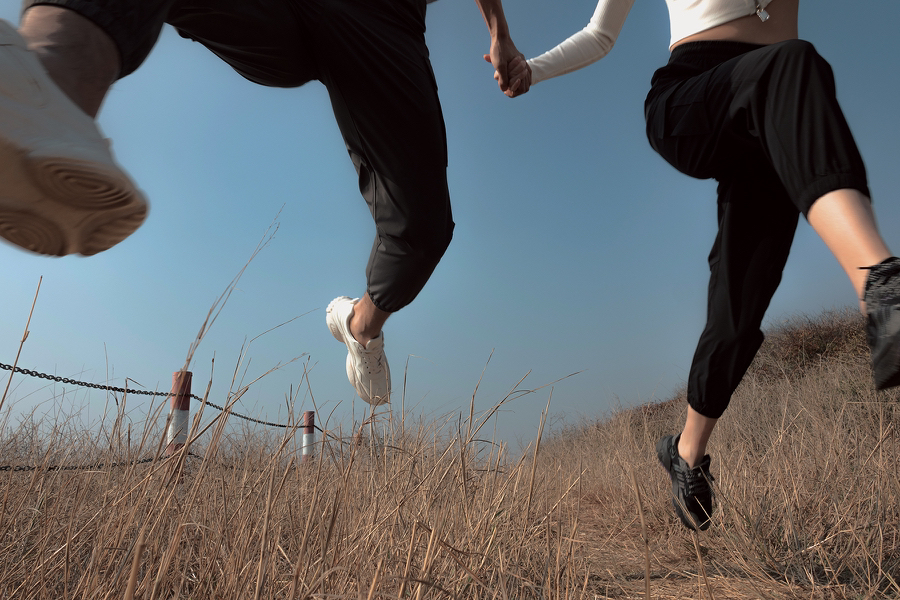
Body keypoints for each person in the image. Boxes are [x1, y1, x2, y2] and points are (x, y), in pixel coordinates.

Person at [495, 0, 900, 531]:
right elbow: (599, 34)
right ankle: (883, 287)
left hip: (777, 112)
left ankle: (686, 452)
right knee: (796, 62)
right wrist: (532, 69)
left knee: (740, 300)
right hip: (691, 97)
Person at [0, 0, 527, 406]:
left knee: (425, 229)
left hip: (384, 21)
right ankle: (45, 88)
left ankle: (361, 326)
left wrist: (499, 34)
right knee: (48, 87)